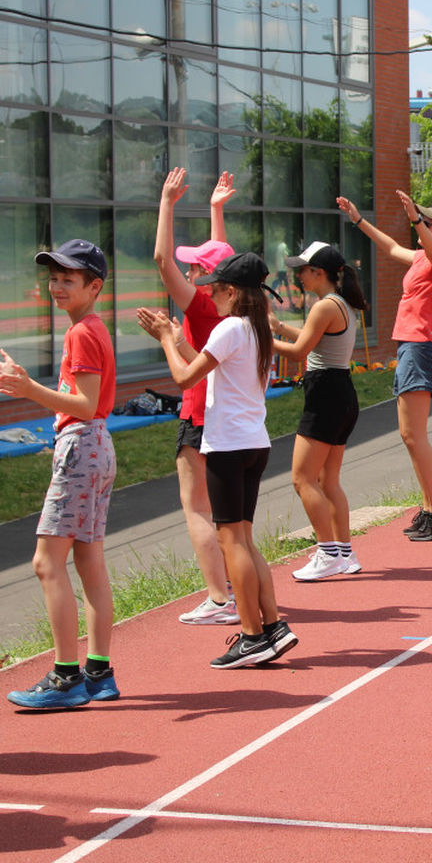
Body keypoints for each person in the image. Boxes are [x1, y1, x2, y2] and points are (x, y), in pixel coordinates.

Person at [137, 253, 298, 669]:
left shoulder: (229, 328)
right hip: (254, 443)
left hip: (228, 446)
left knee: (232, 541)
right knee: (243, 538)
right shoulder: (256, 328)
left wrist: (165, 340)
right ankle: (273, 625)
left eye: (215, 289)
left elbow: (183, 378)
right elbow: (209, 367)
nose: (209, 295)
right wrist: (179, 339)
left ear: (231, 291)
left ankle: (252, 635)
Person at [2, 240, 119, 708]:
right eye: (53, 278)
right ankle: (98, 672)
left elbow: (85, 405)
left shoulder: (82, 333)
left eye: (68, 279)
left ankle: (66, 677)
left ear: (94, 286)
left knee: (46, 562)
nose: (57, 286)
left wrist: (28, 388)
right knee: (89, 562)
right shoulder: (91, 328)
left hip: (82, 446)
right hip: (96, 445)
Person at [338, 190, 432, 541]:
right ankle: (430, 508)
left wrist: (414, 218)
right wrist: (358, 220)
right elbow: (391, 248)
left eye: (427, 222)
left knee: (414, 435)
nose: (419, 225)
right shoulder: (421, 258)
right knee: (410, 436)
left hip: (422, 346)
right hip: (412, 345)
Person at [153, 167, 239, 626]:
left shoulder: (202, 305)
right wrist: (214, 209)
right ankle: (234, 590)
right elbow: (221, 258)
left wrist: (166, 203)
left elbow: (161, 260)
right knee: (226, 511)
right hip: (227, 415)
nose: (188, 270)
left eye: (195, 268)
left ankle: (220, 598)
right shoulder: (234, 302)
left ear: (207, 277)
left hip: (199, 411)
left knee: (198, 508)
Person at [269, 242, 367, 580]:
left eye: (303, 270)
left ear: (319, 272)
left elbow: (299, 352)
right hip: (341, 393)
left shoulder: (324, 306)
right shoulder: (340, 302)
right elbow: (311, 340)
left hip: (326, 396)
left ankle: (328, 553)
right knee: (328, 480)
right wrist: (279, 328)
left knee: (303, 478)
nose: (298, 275)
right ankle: (344, 552)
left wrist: (259, 338)